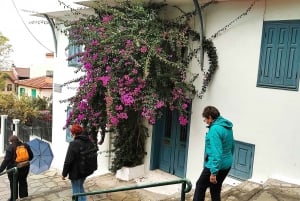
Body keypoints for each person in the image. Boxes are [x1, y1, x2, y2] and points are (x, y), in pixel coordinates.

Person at [193, 106, 234, 201]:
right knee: (215, 188)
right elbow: (232, 145)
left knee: (200, 186)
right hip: (227, 164)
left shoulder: (214, 129)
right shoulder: (226, 126)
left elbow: (217, 152)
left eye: (206, 119)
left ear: (210, 117)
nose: (206, 121)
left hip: (215, 165)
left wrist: (213, 172)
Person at [0, 135, 33, 201]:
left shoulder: (10, 148)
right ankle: (24, 198)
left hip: (14, 169)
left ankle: (13, 198)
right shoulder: (25, 145)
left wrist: (0, 170)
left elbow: (6, 161)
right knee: (23, 182)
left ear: (11, 141)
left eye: (9, 142)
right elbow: (31, 156)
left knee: (13, 184)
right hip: (25, 168)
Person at [62, 124, 90, 201]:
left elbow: (68, 161)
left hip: (76, 173)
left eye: (71, 132)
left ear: (73, 133)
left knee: (76, 192)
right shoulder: (88, 142)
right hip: (85, 171)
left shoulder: (73, 144)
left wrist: (64, 174)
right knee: (80, 187)